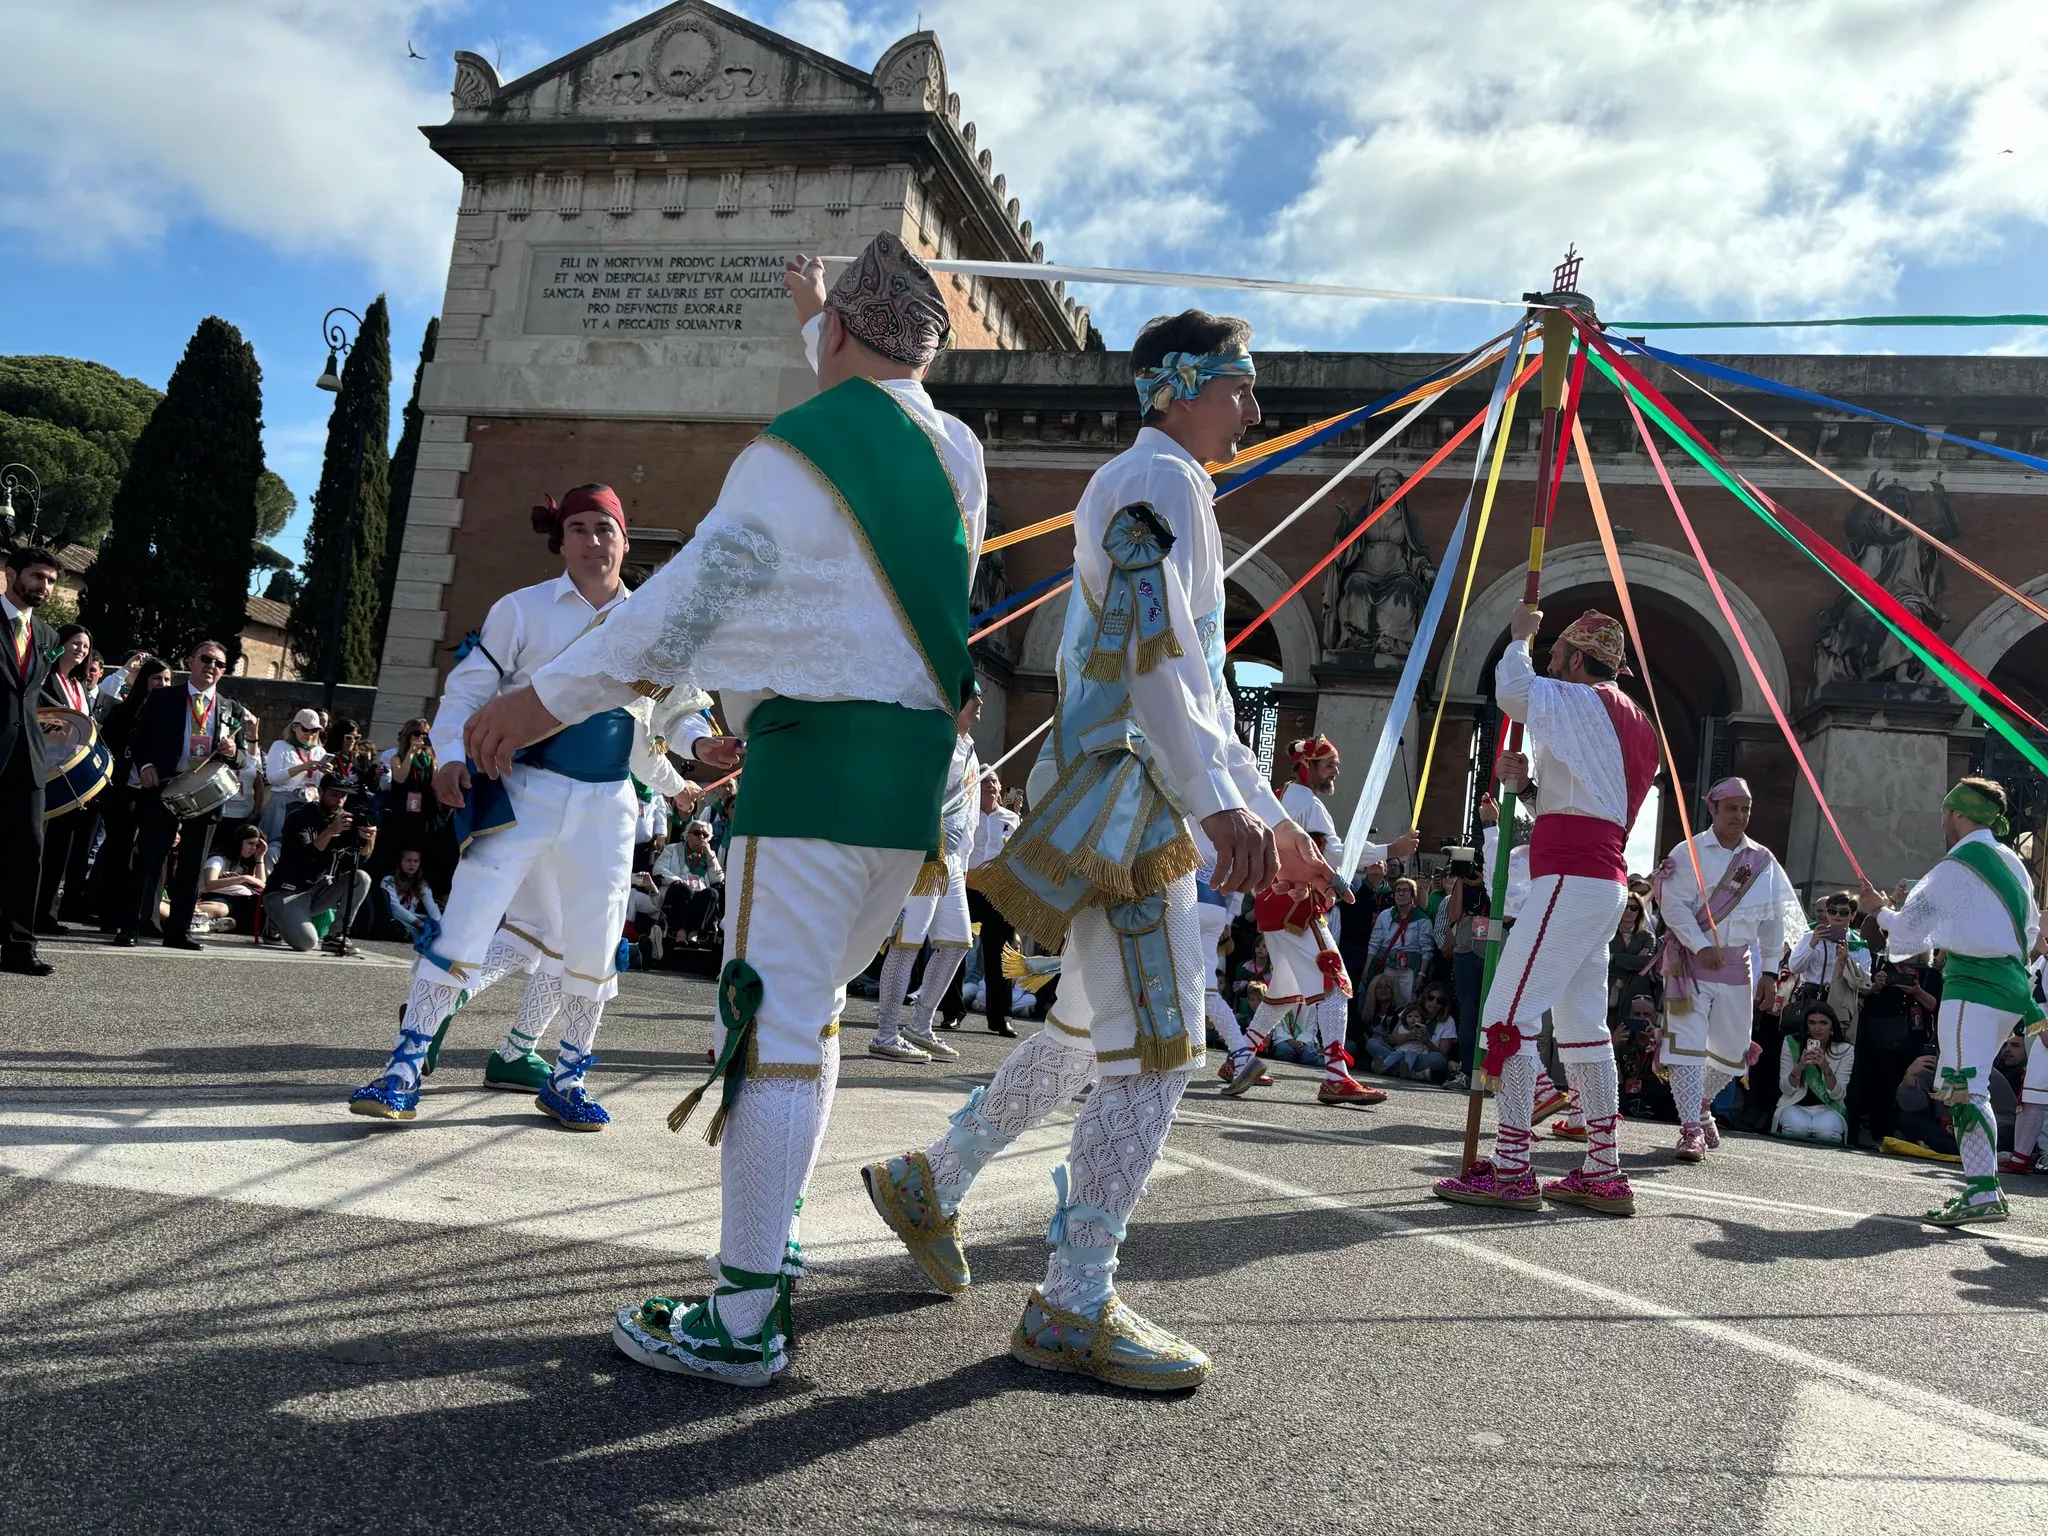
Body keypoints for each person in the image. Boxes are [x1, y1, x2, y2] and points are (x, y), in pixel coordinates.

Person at [460, 235, 978, 1384]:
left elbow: (679, 606)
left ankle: (743, 1318)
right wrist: (820, 316)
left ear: (841, 336)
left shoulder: (792, 453)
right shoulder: (959, 453)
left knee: (770, 1029)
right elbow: (876, 417)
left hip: (807, 775)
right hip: (907, 791)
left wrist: (538, 699)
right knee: (817, 1019)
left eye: (824, 327)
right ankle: (772, 1241)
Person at [856, 306, 1341, 1393]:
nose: (1253, 407)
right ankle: (1073, 1303)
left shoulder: (1169, 483)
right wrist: (1225, 805)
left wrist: (1268, 814)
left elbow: (1194, 681)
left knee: (1087, 1030)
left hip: (1133, 796)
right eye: (1238, 383)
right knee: (1158, 1047)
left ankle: (932, 1178)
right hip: (1129, 807)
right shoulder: (1155, 479)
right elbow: (1148, 655)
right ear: (1176, 384)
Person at [349, 482, 714, 1128]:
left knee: (593, 943)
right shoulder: (521, 611)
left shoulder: (653, 624)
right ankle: (403, 1069)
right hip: (521, 791)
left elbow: (672, 714)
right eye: (579, 528)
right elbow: (467, 688)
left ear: (625, 540)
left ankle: (567, 1076)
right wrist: (451, 755)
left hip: (606, 807)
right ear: (560, 540)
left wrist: (705, 744)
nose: (593, 541)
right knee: (467, 922)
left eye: (605, 528)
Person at [1435, 607, 1657, 1217]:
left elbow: (1513, 690)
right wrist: (1529, 788)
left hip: (1569, 879)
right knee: (1585, 1026)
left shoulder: (1582, 698)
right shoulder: (1632, 718)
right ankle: (1604, 1170)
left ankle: (1510, 1167)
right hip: (1598, 879)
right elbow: (1588, 794)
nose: (1552, 665)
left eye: (1558, 655)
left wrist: (1519, 637)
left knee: (1505, 1016)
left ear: (1577, 661)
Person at [1858, 777, 2041, 1225]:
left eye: (1944, 812)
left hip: (1973, 986)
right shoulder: (2011, 860)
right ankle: (1983, 1190)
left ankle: (1982, 1191)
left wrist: (1877, 908)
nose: (1941, 820)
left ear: (1959, 813)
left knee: (1963, 1087)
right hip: (2011, 989)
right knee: (1970, 1084)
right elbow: (2032, 930)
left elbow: (1908, 929)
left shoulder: (1958, 863)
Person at [1240, 734, 1417, 1106]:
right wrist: (1390, 849)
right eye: (1329, 764)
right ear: (1309, 767)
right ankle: (1336, 1076)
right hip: (1296, 907)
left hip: (1275, 905)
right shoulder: (1307, 803)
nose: (1336, 770)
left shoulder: (1284, 794)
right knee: (1335, 983)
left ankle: (1240, 1058)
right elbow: (1332, 852)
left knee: (1284, 991)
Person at [1650, 776, 1806, 1164]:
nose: (1740, 815)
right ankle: (1690, 1130)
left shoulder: (1761, 860)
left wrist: (1771, 971)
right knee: (1686, 1045)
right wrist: (1700, 946)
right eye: (1732, 808)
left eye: (1745, 808)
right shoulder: (1688, 852)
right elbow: (1671, 904)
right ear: (1713, 809)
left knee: (1733, 1050)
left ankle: (1701, 1106)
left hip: (1739, 964)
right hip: (1688, 964)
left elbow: (1772, 921)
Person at [870, 696, 983, 1065]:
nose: (980, 701)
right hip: (925, 852)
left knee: (956, 942)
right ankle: (885, 1032)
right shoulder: (940, 740)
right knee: (909, 942)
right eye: (971, 696)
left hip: (953, 862)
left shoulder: (971, 750)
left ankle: (921, 1026)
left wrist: (963, 863)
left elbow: (969, 816)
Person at [116, 638, 241, 951]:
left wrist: (234, 751)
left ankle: (179, 932)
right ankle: (129, 926)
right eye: (206, 659)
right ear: (190, 661)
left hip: (206, 795)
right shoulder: (164, 697)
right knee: (148, 860)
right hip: (164, 788)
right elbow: (141, 737)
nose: (211, 666)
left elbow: (239, 760)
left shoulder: (229, 707)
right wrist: (144, 764)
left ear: (224, 671)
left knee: (192, 865)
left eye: (219, 663)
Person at [2, 547, 63, 975]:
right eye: (38, 577)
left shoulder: (47, 636)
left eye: (52, 581)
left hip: (29, 758)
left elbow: (32, 690)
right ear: (11, 574)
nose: (44, 586)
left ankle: (19, 947)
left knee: (29, 851)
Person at [84, 655, 168, 932]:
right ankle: (110, 914)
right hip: (123, 791)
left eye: (167, 679)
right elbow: (107, 747)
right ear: (144, 680)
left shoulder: (173, 715)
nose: (162, 684)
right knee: (118, 854)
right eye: (157, 678)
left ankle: (144, 916)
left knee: (151, 855)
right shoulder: (123, 711)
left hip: (154, 794)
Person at [947, 766, 1022, 1037]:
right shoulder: (966, 814)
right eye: (984, 781)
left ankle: (1000, 1017)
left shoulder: (1012, 819)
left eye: (994, 781)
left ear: (1001, 789)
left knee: (1000, 955)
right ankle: (951, 1011)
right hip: (967, 886)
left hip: (999, 892)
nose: (990, 786)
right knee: (955, 947)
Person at [265, 773, 376, 951]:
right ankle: (273, 921)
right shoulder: (299, 817)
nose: (339, 800)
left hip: (317, 889)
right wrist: (331, 831)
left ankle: (336, 936)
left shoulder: (345, 820)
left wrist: (370, 839)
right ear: (320, 792)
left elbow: (360, 858)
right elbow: (303, 858)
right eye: (334, 794)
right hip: (287, 890)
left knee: (362, 878)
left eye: (343, 795)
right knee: (306, 943)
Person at [34, 621, 97, 934]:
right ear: (60, 643)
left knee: (62, 847)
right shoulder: (44, 678)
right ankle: (25, 909)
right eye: (75, 643)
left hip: (73, 776)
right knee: (39, 846)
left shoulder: (80, 687)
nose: (80, 650)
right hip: (46, 769)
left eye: (85, 647)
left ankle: (46, 912)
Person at [1785, 891, 1871, 1031]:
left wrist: (1846, 963)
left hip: (1841, 1000)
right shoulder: (1809, 936)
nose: (1837, 916)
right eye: (1832, 911)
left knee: (1836, 1044)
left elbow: (1865, 982)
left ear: (1853, 915)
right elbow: (1794, 967)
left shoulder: (1859, 945)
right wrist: (1812, 944)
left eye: (1843, 912)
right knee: (1805, 1043)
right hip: (1810, 997)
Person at [1773, 1000, 1855, 1143]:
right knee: (1797, 1129)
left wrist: (1825, 1067)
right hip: (1796, 1104)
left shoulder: (1845, 1050)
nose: (1817, 1028)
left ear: (1832, 1026)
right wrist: (1800, 1067)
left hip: (1829, 1107)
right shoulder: (1791, 1043)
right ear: (1806, 1026)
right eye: (1812, 1023)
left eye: (1823, 1023)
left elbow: (1838, 1094)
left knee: (1826, 1133)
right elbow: (1785, 1089)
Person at [656, 815, 725, 948]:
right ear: (687, 835)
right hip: (678, 891)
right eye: (697, 833)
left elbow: (719, 879)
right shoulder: (672, 849)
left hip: (699, 893)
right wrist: (679, 881)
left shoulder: (709, 855)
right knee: (685, 889)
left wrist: (711, 859)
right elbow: (659, 869)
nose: (701, 837)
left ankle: (694, 932)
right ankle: (680, 930)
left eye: (705, 835)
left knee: (712, 893)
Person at [263, 709, 327, 840]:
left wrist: (325, 772)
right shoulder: (280, 746)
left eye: (314, 730)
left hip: (310, 803)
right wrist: (302, 767)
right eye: (305, 729)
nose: (309, 734)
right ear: (294, 727)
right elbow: (272, 778)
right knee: (277, 841)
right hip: (284, 802)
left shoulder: (319, 751)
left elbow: (320, 783)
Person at [198, 823, 268, 937]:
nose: (253, 848)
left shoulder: (245, 864)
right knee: (222, 909)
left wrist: (260, 858)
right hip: (218, 898)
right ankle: (194, 915)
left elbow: (261, 885)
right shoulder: (218, 859)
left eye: (256, 845)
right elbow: (209, 884)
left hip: (242, 902)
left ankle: (212, 924)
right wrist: (242, 878)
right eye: (250, 843)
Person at [1608, 892, 1659, 1016]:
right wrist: (1633, 960)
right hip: (1610, 992)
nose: (1629, 911)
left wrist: (1614, 957)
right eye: (1625, 906)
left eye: (1634, 908)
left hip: (1636, 993)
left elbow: (1646, 963)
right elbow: (1603, 960)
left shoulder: (1647, 937)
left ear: (1639, 911)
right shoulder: (1607, 934)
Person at [380, 848, 443, 942]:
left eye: (415, 861)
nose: (412, 864)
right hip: (397, 918)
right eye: (408, 860)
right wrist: (417, 922)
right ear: (400, 861)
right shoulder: (389, 880)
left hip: (413, 917)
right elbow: (394, 906)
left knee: (436, 920)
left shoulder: (422, 883)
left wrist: (438, 924)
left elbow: (431, 906)